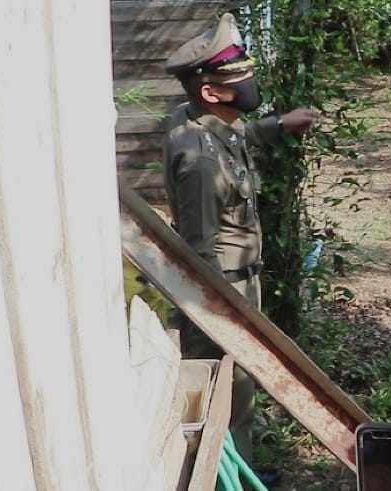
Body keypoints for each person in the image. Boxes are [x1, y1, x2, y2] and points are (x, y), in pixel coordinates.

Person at [163, 12, 316, 486]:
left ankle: (242, 469)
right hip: (223, 292)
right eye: (240, 76)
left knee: (240, 389)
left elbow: (237, 137)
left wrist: (278, 125)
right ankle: (224, 477)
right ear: (212, 92)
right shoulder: (202, 162)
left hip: (239, 282)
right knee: (225, 391)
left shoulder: (199, 122)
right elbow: (197, 250)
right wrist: (221, 316)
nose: (251, 81)